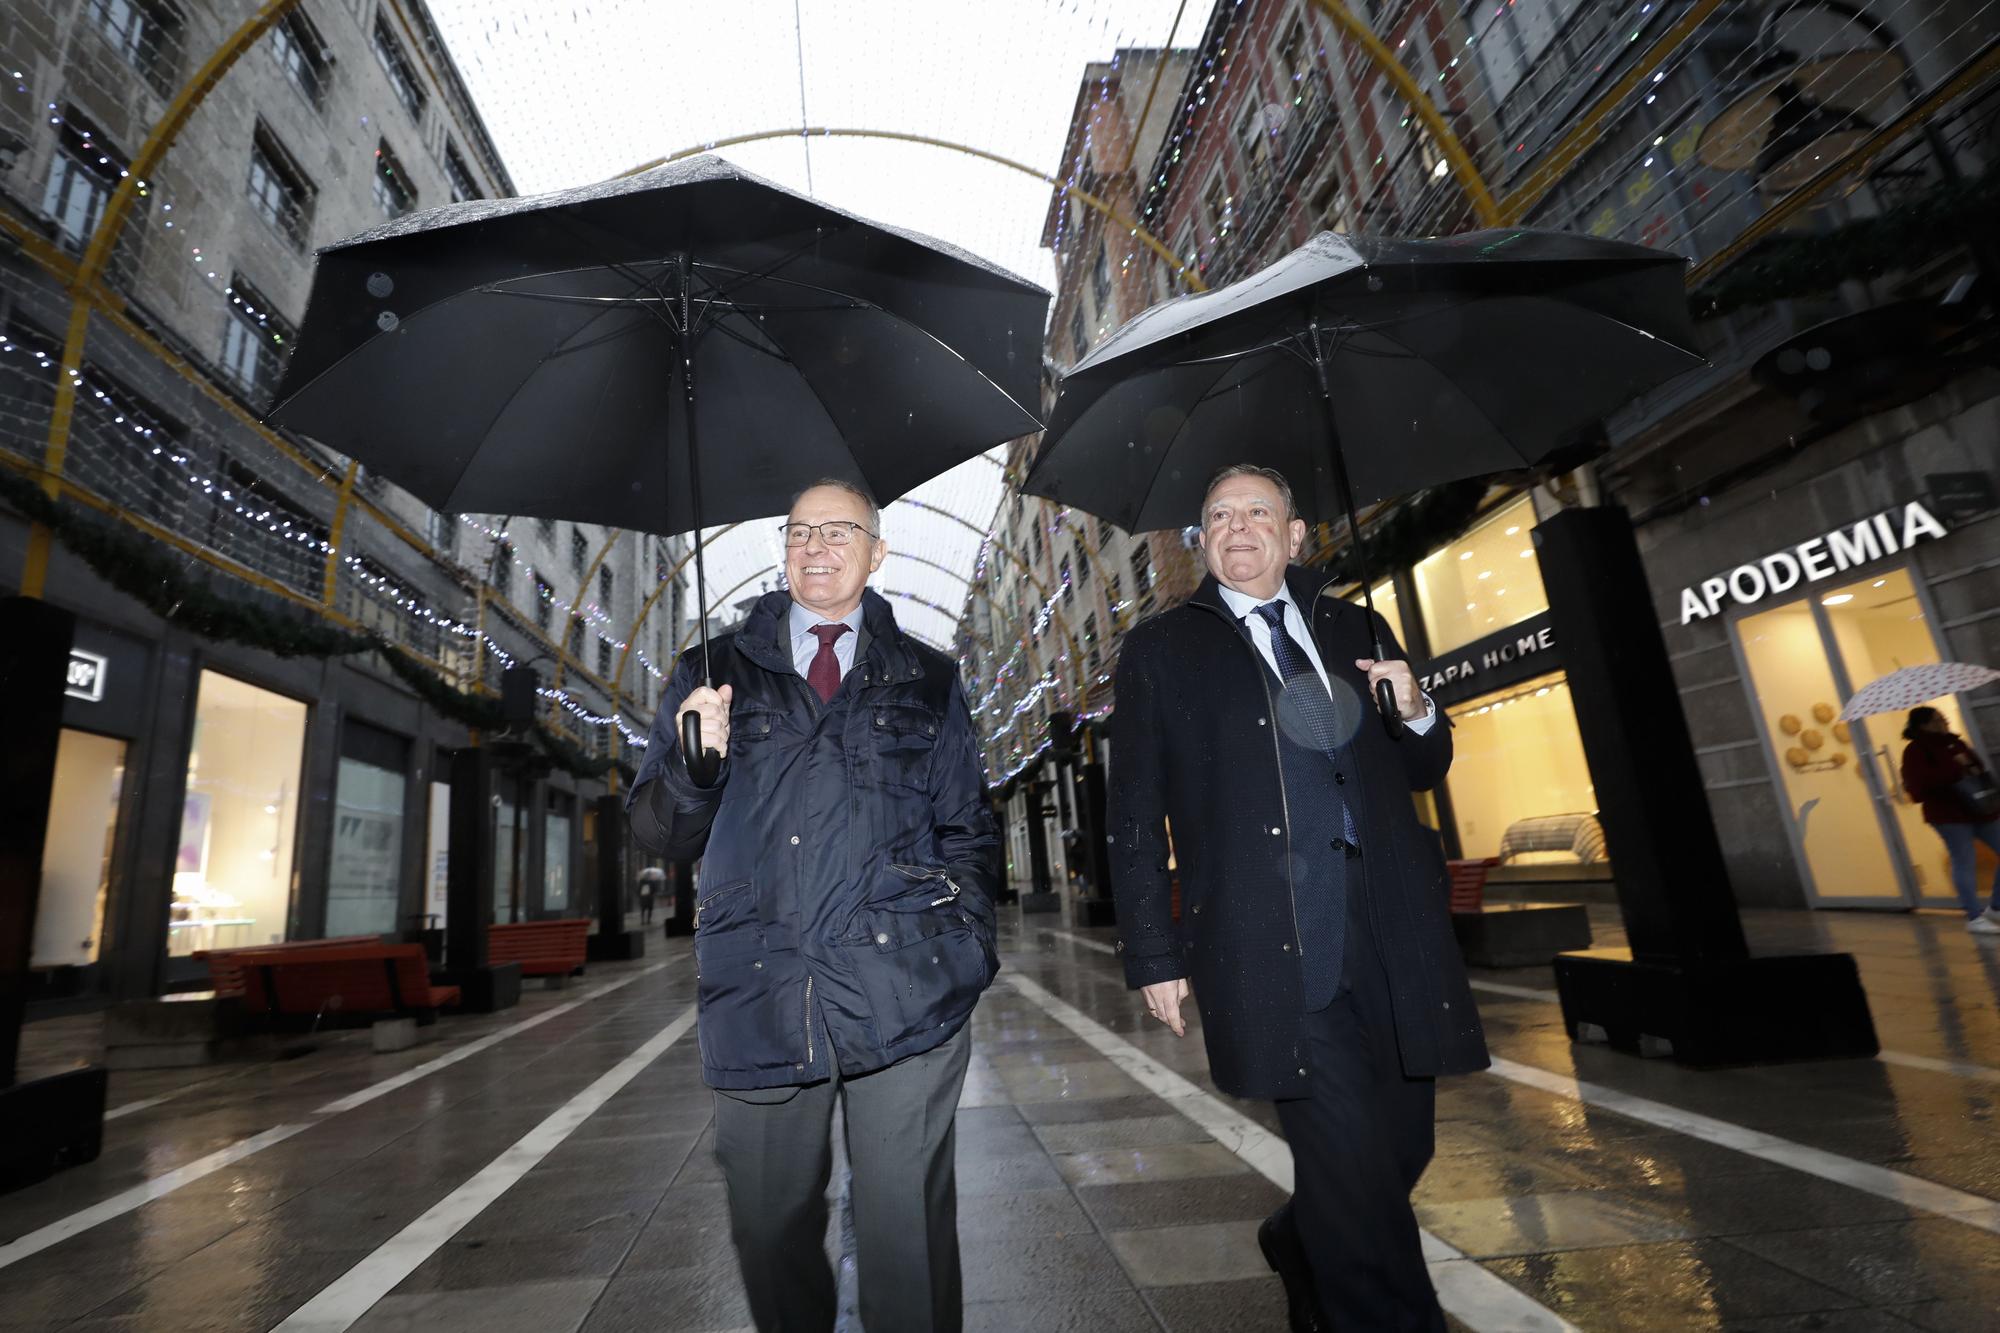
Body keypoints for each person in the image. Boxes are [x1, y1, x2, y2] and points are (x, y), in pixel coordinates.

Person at [1108, 464, 1488, 1333]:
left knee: (1401, 1146)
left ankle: (1301, 1234)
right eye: (1218, 517)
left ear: (1296, 533)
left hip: (1390, 924)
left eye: (1257, 512)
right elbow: (1133, 813)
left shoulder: (1358, 625)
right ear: (1201, 541)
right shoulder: (1164, 651)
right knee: (1353, 1168)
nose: (1237, 528)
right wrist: (1153, 954)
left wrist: (1417, 705)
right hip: (1269, 931)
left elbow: (1426, 768)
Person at [628, 478, 1000, 1333]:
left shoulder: (929, 679)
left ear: (877, 553)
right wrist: (694, 766)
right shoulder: (710, 674)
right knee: (767, 1228)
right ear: (782, 549)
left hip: (907, 989)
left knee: (906, 1236)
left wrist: (964, 944)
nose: (817, 546)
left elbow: (969, 829)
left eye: (841, 531)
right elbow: (658, 832)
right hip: (761, 993)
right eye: (800, 531)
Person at [1900, 705, 2000, 934]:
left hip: (1980, 809)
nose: (1943, 722)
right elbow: (1918, 788)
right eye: (1937, 719)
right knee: (1964, 861)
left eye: (1943, 718)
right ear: (1923, 725)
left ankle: (1996, 906)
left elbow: (1977, 768)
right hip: (1948, 815)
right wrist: (1955, 769)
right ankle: (1974, 916)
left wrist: (1968, 765)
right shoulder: (1915, 750)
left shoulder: (1956, 742)